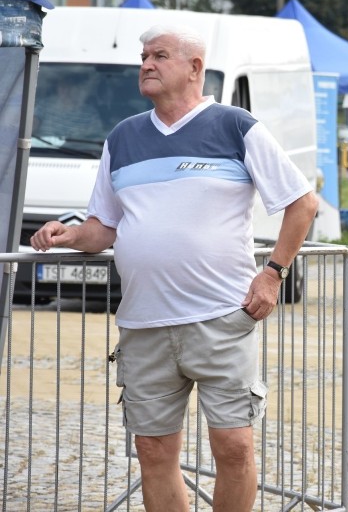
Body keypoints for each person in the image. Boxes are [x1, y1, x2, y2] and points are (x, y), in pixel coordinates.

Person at [30, 25, 318, 511]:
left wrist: (272, 273)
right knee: (153, 450)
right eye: (144, 56)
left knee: (234, 447)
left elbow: (302, 203)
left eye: (159, 56)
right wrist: (69, 234)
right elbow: (104, 227)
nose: (146, 64)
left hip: (223, 317)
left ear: (194, 68)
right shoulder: (123, 137)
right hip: (144, 323)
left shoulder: (236, 126)